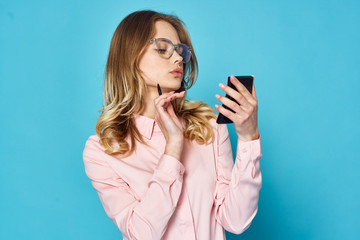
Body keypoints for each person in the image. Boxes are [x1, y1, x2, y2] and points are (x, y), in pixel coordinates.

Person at [82, 10, 262, 240]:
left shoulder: (208, 125)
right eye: (162, 49)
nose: (178, 59)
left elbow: (236, 221)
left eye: (180, 51)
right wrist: (173, 148)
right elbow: (141, 234)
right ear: (130, 55)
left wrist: (248, 137)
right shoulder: (102, 151)